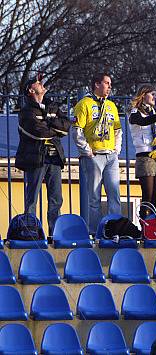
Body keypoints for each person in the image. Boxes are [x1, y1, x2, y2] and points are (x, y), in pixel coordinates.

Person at [15, 73, 71, 235]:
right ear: (31, 90)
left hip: (54, 158)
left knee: (56, 199)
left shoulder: (52, 106)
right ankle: (30, 231)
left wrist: (49, 124)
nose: (42, 84)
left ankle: (54, 234)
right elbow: (37, 132)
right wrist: (55, 129)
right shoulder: (26, 111)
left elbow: (66, 125)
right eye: (38, 83)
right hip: (36, 158)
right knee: (32, 197)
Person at [73, 72, 122, 235]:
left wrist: (116, 150)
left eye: (110, 84)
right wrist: (87, 151)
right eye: (107, 83)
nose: (109, 87)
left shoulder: (111, 106)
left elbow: (118, 130)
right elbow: (77, 131)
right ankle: (94, 232)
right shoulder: (84, 104)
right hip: (94, 155)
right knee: (94, 197)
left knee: (114, 194)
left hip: (111, 156)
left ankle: (115, 230)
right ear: (97, 84)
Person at [129, 85, 156, 219]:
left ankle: (152, 225)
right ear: (143, 95)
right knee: (147, 196)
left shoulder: (153, 112)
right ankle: (144, 227)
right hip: (145, 156)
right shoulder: (135, 112)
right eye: (152, 94)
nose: (155, 97)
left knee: (155, 196)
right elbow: (141, 121)